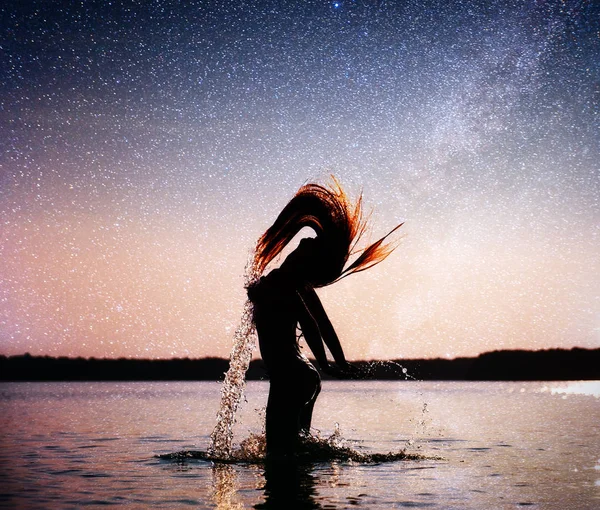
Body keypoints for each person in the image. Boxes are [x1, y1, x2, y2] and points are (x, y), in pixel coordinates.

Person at [247, 179, 402, 460]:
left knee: (278, 456)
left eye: (307, 246)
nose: (304, 241)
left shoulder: (284, 283)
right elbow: (324, 325)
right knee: (296, 453)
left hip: (289, 378)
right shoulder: (297, 286)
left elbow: (311, 325)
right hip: (304, 377)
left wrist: (325, 361)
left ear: (304, 260)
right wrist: (337, 361)